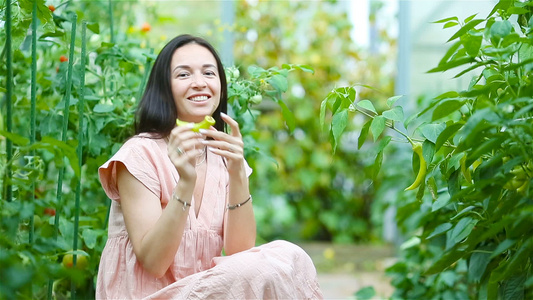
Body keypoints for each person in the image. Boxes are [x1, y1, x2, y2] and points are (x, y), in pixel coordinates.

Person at [96, 34, 323, 299]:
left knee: (287, 256)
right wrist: (185, 181)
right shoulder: (139, 154)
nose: (199, 83)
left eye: (208, 72)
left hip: (201, 292)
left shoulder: (223, 157)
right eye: (183, 75)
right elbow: (154, 263)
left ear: (221, 86)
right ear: (164, 89)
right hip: (148, 295)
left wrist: (238, 172)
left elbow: (240, 252)